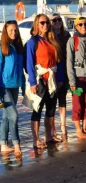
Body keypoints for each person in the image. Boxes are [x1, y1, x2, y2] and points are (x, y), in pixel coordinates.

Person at [26, 14, 63, 149]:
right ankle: (36, 139)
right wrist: (32, 83)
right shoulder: (33, 42)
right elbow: (29, 63)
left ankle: (49, 136)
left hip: (52, 79)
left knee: (51, 109)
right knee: (37, 110)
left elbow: (58, 61)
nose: (45, 25)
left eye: (47, 22)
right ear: (37, 24)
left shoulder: (53, 40)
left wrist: (60, 78)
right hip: (40, 79)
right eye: (42, 23)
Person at [66, 16, 86, 139]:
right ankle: (78, 130)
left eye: (85, 24)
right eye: (80, 24)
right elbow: (69, 61)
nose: (83, 26)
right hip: (78, 77)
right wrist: (72, 81)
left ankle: (85, 128)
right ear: (76, 26)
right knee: (77, 104)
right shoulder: (72, 40)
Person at [0, 20, 25, 156]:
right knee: (14, 115)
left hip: (16, 86)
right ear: (6, 31)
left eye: (15, 30)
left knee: (6, 116)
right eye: (10, 30)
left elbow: (20, 70)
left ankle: (3, 144)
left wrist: (24, 86)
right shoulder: (2, 47)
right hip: (4, 87)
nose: (13, 33)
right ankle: (16, 144)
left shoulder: (18, 48)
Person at [50, 13, 71, 142]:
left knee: (62, 100)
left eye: (59, 20)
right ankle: (53, 129)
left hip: (64, 69)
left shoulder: (66, 35)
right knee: (52, 102)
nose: (57, 22)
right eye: (54, 20)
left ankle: (63, 126)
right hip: (53, 71)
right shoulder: (49, 36)